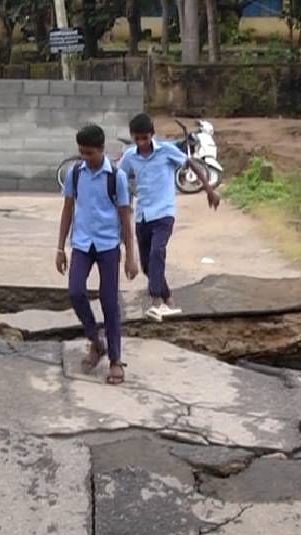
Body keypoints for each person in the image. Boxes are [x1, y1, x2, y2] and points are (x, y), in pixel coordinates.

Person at [56, 125, 139, 385]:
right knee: (76, 292)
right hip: (81, 243)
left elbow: (125, 217)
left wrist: (130, 255)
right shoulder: (75, 174)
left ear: (102, 150)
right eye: (81, 153)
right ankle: (95, 339)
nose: (85, 158)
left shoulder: (117, 177)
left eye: (89, 153)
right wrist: (60, 248)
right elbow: (67, 209)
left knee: (109, 301)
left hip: (107, 245)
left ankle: (115, 360)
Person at [119, 113, 221, 322]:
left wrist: (209, 189)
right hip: (142, 216)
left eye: (145, 138)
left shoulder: (166, 151)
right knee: (148, 265)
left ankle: (156, 301)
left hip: (164, 213)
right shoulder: (130, 156)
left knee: (158, 252)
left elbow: (191, 163)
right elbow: (119, 176)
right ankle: (169, 298)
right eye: (137, 139)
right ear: (132, 137)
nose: (141, 143)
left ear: (152, 135)